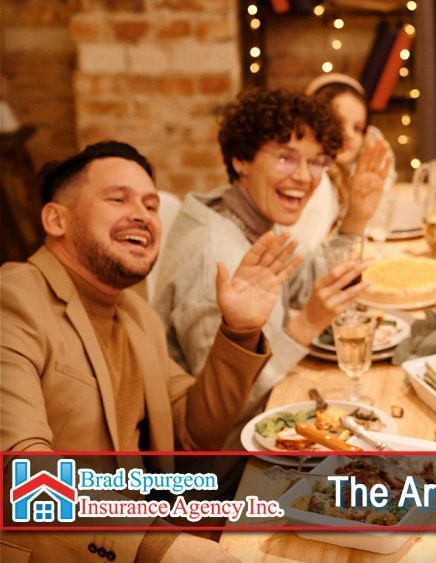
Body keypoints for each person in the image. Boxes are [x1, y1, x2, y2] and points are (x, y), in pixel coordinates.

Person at [2, 141, 297, 562]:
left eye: (152, 204)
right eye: (117, 198)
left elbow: (192, 435)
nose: (142, 214)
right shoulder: (13, 297)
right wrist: (158, 546)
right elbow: (18, 470)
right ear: (56, 218)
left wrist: (238, 331)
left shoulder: (136, 313)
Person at [153, 88, 375, 442]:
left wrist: (356, 219)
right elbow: (223, 411)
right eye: (286, 158)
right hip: (222, 471)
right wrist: (305, 326)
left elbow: (302, 284)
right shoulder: (216, 256)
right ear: (241, 158)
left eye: (317, 161)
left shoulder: (241, 214)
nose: (305, 177)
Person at [285, 73, 396, 255]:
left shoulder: (345, 177)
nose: (348, 134)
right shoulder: (313, 184)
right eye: (337, 122)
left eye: (358, 128)